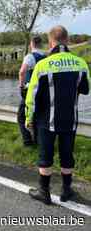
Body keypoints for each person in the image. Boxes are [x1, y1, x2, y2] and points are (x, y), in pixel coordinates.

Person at [25, 25, 90, 204]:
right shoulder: (81, 63)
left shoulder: (42, 65)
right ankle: (66, 191)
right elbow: (85, 89)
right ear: (67, 40)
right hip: (70, 119)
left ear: (51, 42)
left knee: (45, 155)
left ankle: (44, 192)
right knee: (67, 154)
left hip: (46, 120)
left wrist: (29, 118)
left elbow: (32, 97)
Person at [18, 36, 46, 146]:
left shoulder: (30, 57)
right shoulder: (45, 57)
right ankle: (38, 140)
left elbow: (22, 72)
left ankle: (27, 141)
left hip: (30, 90)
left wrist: (21, 86)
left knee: (21, 116)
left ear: (32, 44)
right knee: (38, 116)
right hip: (42, 91)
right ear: (41, 44)